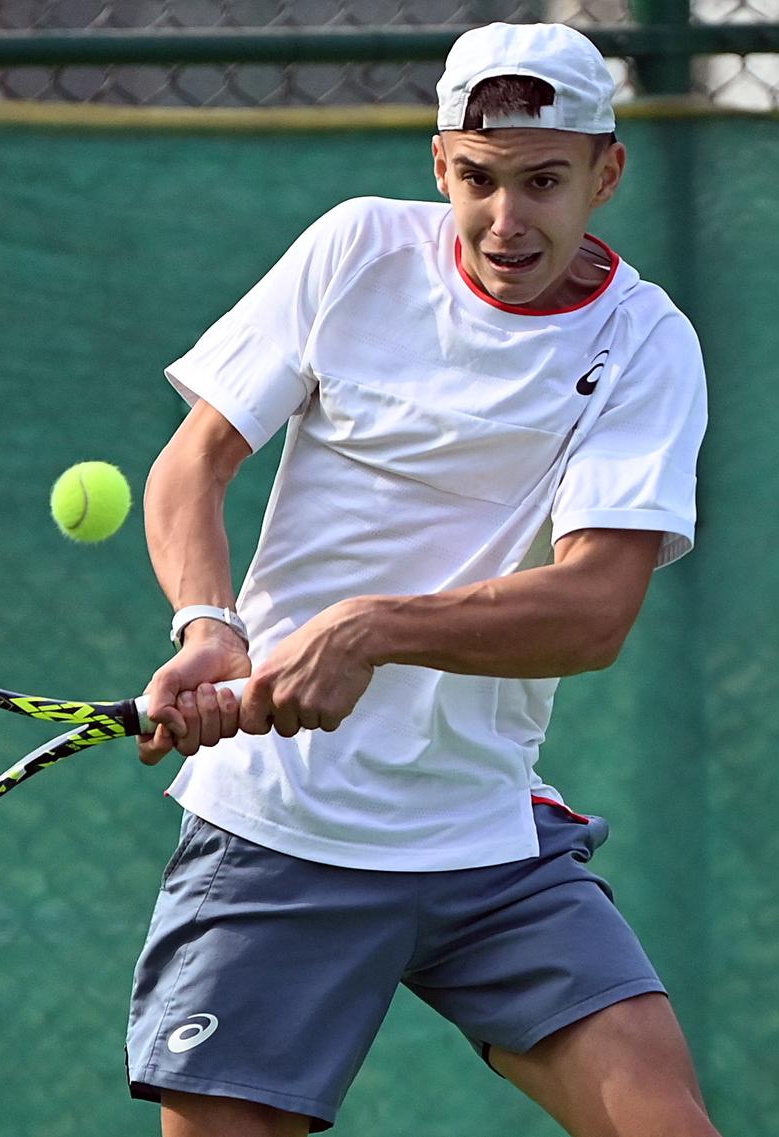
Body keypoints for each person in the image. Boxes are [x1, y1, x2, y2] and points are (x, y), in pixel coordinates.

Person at [122, 20, 717, 1137]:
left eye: (544, 182)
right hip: (279, 834)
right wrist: (207, 625)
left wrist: (366, 629)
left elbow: (594, 613)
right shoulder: (355, 253)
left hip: (488, 836)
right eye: (479, 180)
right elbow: (191, 464)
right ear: (440, 164)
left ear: (607, 173)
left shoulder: (646, 343)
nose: (507, 219)